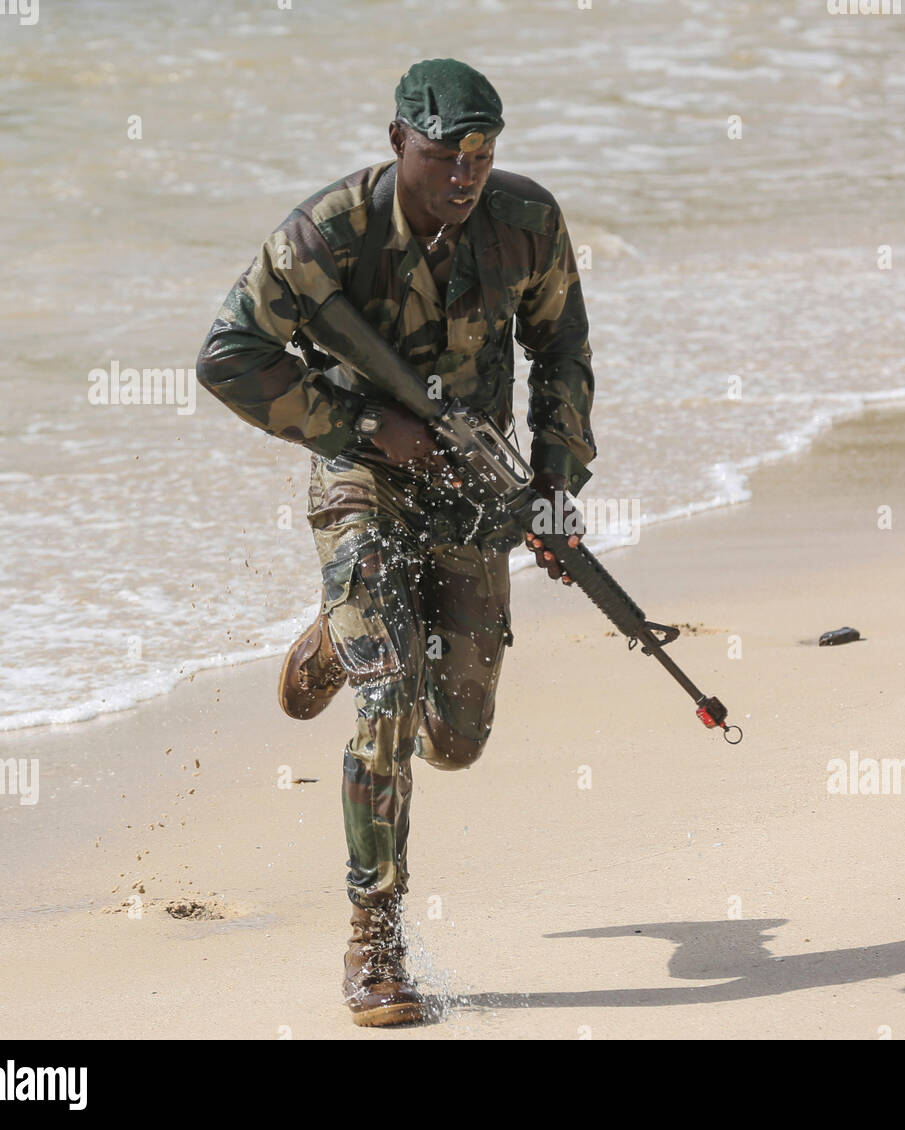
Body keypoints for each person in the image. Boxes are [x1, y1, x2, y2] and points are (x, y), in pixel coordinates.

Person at [196, 58, 596, 1026]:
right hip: (360, 472)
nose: (464, 172)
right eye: (442, 153)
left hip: (472, 485)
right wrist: (366, 427)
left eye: (481, 152)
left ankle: (338, 630)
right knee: (389, 696)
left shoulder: (525, 222)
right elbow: (228, 356)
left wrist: (552, 486)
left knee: (455, 736)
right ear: (395, 144)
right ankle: (374, 945)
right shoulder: (324, 234)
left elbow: (563, 350)